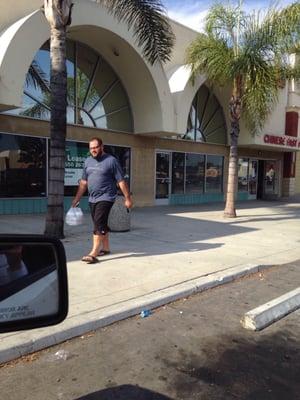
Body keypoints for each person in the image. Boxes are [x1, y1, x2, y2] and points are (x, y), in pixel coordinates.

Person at [72, 137, 133, 264]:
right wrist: (76, 198)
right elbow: (83, 182)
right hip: (92, 197)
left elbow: (121, 181)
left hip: (107, 197)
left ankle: (93, 253)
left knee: (98, 223)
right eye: (91, 148)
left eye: (95, 147)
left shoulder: (111, 161)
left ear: (102, 147)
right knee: (100, 223)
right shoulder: (88, 161)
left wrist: (127, 198)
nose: (93, 150)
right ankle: (106, 248)